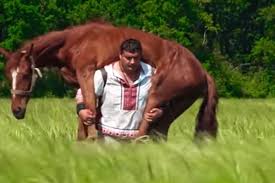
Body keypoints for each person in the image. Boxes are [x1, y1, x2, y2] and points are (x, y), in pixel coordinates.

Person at [75, 38, 162, 143]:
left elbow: (163, 98)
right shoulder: (105, 74)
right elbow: (83, 92)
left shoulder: (152, 74)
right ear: (120, 55)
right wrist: (81, 110)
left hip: (140, 139)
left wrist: (160, 112)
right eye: (128, 58)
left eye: (136, 58)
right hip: (108, 139)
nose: (132, 62)